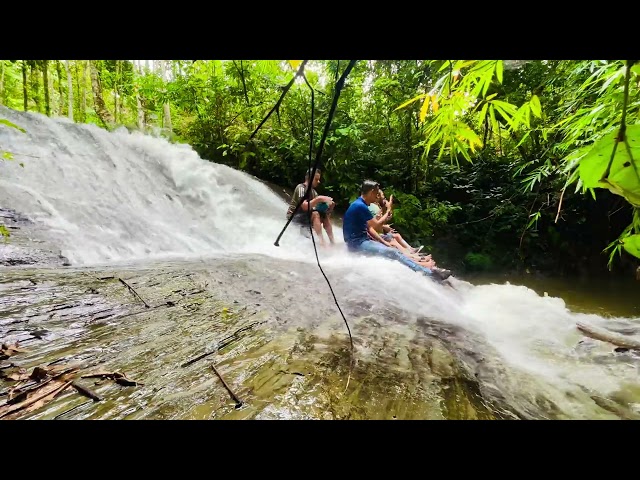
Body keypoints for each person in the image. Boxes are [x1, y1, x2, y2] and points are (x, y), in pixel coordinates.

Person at [343, 179, 446, 279]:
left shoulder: (360, 204)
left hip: (360, 240)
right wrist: (388, 209)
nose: (377, 197)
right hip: (357, 244)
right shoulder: (360, 206)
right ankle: (428, 273)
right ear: (371, 192)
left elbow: (370, 228)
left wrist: (383, 241)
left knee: (391, 245)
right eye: (376, 194)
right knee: (392, 252)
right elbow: (376, 225)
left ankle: (421, 264)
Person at [286, 168, 336, 246]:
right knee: (315, 214)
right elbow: (304, 206)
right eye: (316, 179)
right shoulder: (301, 188)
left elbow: (323, 212)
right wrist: (318, 199)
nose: (318, 182)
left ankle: (332, 242)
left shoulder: (314, 192)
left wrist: (330, 207)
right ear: (309, 178)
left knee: (324, 215)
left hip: (306, 216)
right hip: (295, 216)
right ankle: (322, 242)